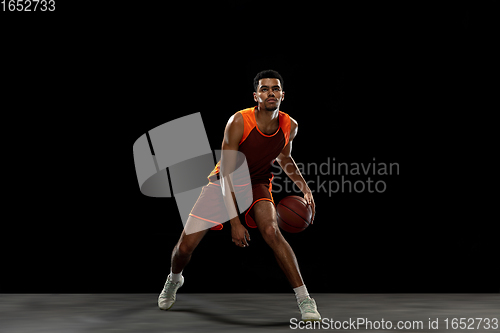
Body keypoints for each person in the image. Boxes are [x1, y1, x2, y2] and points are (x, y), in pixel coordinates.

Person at [158, 69, 321, 321]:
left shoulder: (291, 125)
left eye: (275, 88)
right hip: (225, 181)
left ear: (283, 95)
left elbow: (284, 156)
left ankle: (305, 300)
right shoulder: (238, 121)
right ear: (256, 95)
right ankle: (174, 279)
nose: (270, 93)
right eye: (264, 89)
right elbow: (226, 174)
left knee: (271, 231)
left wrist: (304, 186)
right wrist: (235, 222)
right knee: (184, 248)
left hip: (257, 181)